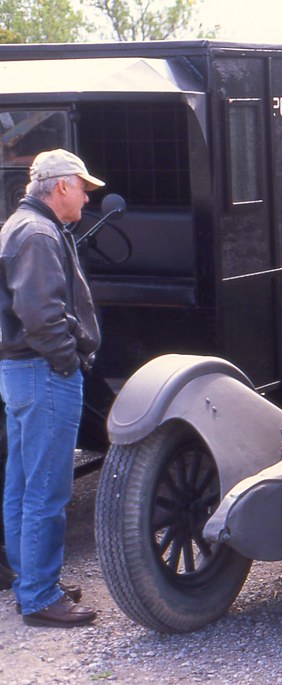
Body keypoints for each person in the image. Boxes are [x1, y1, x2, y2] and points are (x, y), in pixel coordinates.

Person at [0, 149, 102, 627]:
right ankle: (41, 597)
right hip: (44, 372)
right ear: (61, 186)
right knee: (47, 489)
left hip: (22, 373)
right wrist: (68, 360)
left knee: (22, 485)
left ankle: (32, 582)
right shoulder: (39, 233)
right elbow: (40, 315)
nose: (86, 196)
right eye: (83, 186)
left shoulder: (23, 225)